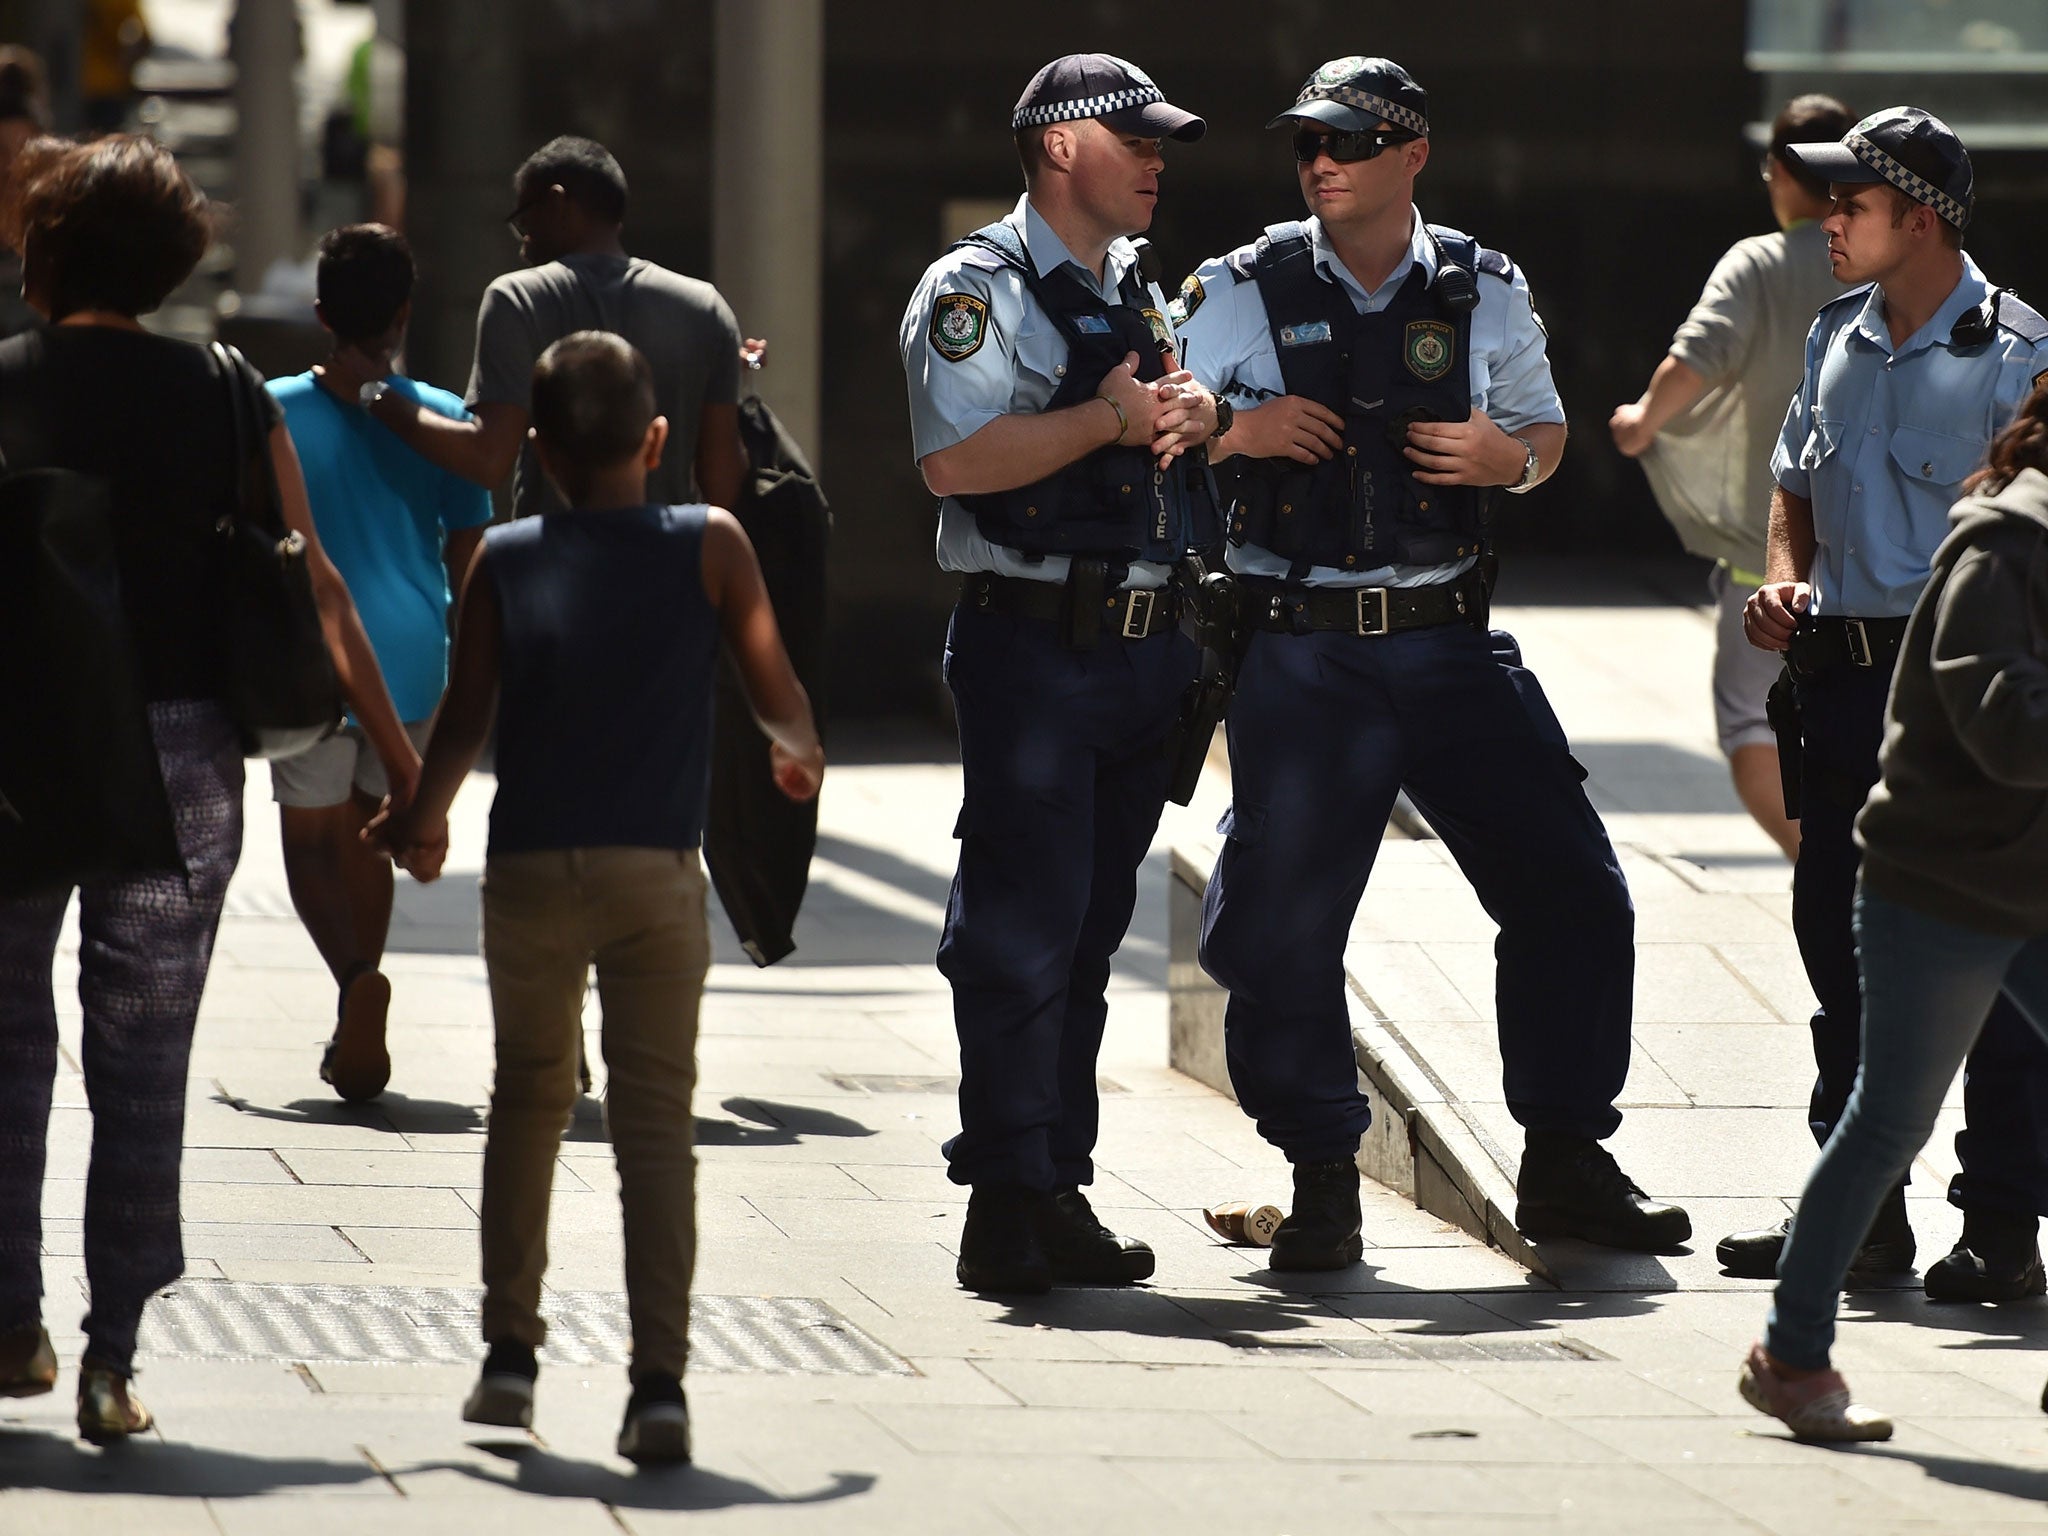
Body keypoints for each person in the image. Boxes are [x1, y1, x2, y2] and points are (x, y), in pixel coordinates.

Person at [1174, 56, 1689, 1268]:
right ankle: (1319, 1175)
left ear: (1411, 154)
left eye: (1347, 142)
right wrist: (1234, 428)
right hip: (1300, 652)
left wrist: (1505, 460)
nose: (1320, 162)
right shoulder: (1240, 287)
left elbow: (1548, 431)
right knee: (1280, 930)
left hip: (1448, 644)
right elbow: (1159, 416)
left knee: (1573, 889)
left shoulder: (1482, 288)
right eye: (1306, 143)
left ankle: (1563, 1159)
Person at [0, 135, 415, 1442]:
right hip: (180, 755)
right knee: (143, 1056)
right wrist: (406, 768)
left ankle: (12, 1319)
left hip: (16, 747)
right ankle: (115, 1355)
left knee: (6, 1041)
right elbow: (314, 583)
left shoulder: (4, 384)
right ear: (177, 259)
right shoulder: (227, 392)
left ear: (45, 252)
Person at [369, 331, 824, 1464]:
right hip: (655, 876)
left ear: (544, 457)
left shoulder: (506, 560)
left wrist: (419, 820)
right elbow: (775, 688)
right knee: (655, 1126)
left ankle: (510, 1363)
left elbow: (466, 720)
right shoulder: (711, 544)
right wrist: (796, 748)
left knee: (525, 1104)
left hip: (529, 872)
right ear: (655, 440)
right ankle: (657, 1386)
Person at [899, 53, 1217, 1294]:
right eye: (1135, 140)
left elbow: (1160, 429)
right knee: (1017, 932)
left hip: (1144, 650)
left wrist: (1185, 417)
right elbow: (955, 460)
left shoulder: (1134, 287)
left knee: (1087, 933)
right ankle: (1003, 1198)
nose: (1155, 161)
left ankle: (1055, 1183)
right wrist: (1109, 421)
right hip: (1033, 644)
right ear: (1058, 149)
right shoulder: (974, 287)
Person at [1724, 108, 2048, 1297]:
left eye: (1847, 207)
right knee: (1838, 949)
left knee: (1993, 958)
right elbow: (1789, 486)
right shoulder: (1833, 336)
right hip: (1840, 684)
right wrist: (1780, 580)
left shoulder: (2016, 354)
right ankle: (1857, 1216)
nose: (1824, 226)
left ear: (1918, 218)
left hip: (1956, 693)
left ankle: (2002, 1227)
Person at [1739, 379, 2048, 1441]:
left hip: (2028, 879)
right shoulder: (2001, 548)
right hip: (1939, 885)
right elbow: (2001, 727)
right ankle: (1788, 1353)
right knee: (1885, 1122)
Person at [267, 224, 494, 1102]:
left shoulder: (272, 406)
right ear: (404, 313)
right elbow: (470, 555)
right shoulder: (442, 414)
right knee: (371, 828)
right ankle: (359, 987)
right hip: (413, 656)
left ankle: (356, 980)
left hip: (308, 653)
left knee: (310, 838)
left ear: (320, 312)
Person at [1609, 94, 1855, 861]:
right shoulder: (1893, 269)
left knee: (1752, 721)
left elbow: (1697, 358)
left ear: (1781, 172)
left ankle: (1818, 860)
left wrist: (1642, 419)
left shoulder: (1758, 263)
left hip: (1769, 554)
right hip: (1882, 558)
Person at [363, 135, 745, 519]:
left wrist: (377, 397)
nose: (524, 245)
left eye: (524, 222)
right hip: (668, 569)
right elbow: (721, 482)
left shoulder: (519, 299)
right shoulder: (704, 308)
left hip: (554, 569)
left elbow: (488, 458)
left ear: (558, 202)